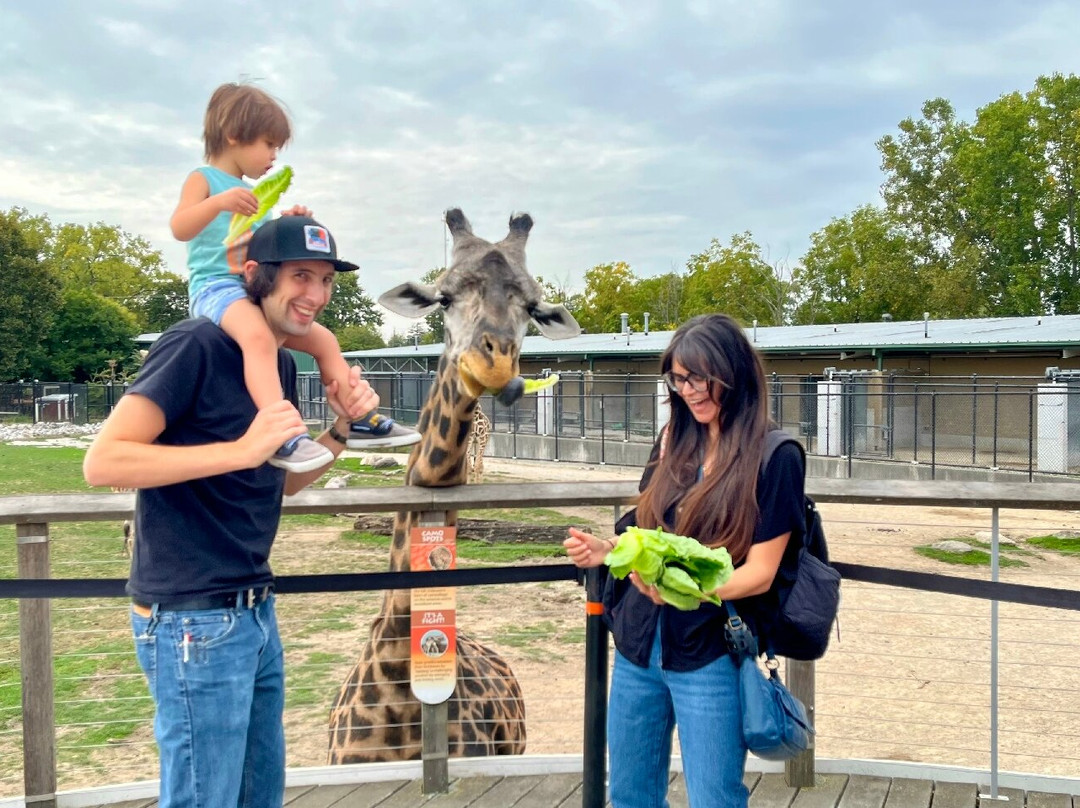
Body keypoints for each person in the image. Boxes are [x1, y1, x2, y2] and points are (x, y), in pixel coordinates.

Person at [83, 215, 377, 808]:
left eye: (325, 280)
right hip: (190, 618)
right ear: (254, 275)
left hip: (254, 612)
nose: (316, 295)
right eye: (300, 276)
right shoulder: (194, 345)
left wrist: (343, 429)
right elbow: (104, 462)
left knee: (255, 797)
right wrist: (241, 449)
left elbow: (283, 485)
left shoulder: (282, 366)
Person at [563, 313, 806, 808]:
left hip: (710, 652)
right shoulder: (674, 438)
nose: (688, 390)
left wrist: (687, 590)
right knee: (631, 795)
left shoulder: (776, 455)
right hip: (638, 645)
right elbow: (650, 532)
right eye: (678, 378)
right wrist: (608, 550)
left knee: (715, 798)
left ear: (733, 373)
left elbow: (759, 573)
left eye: (699, 378)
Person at [169, 81, 418, 473]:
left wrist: (288, 225)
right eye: (268, 144)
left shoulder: (254, 193)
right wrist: (217, 202)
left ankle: (359, 418)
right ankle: (281, 434)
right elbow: (180, 227)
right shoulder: (204, 180)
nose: (272, 156)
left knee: (324, 340)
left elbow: (263, 247)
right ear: (235, 136)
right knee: (257, 337)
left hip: (252, 288)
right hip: (215, 287)